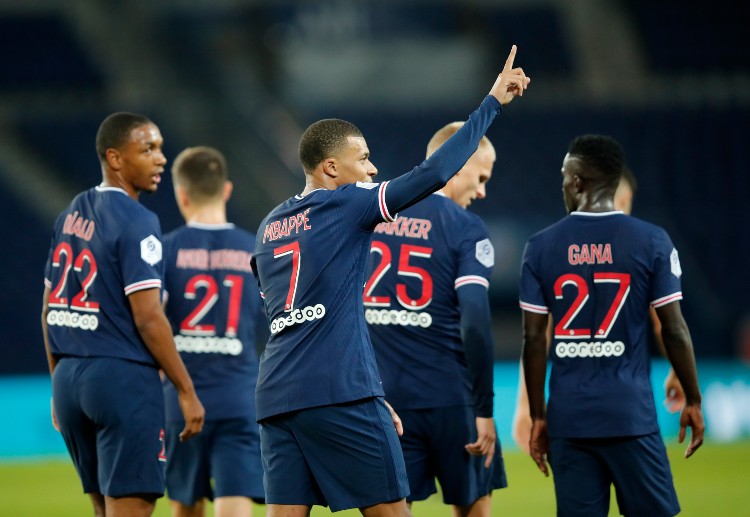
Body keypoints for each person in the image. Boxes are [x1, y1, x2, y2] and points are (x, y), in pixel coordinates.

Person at [250, 46, 529, 517]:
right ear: (331, 168)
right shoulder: (346, 204)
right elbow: (435, 172)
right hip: (340, 392)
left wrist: (371, 391)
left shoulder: (269, 225)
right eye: (363, 158)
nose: (373, 168)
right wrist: (492, 103)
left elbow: (277, 308)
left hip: (277, 395)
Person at [519, 134, 704, 516]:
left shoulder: (540, 247)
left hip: (569, 420)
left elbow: (534, 339)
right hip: (631, 416)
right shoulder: (652, 241)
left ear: (577, 182)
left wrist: (537, 416)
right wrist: (694, 398)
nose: (562, 185)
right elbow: (673, 328)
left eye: (564, 177)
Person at [40, 112, 205, 517]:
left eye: (160, 148)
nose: (161, 158)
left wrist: (58, 382)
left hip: (69, 379)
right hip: (120, 379)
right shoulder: (138, 221)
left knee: (103, 510)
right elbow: (149, 318)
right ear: (115, 158)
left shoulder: (72, 212)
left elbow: (48, 309)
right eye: (148, 149)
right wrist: (185, 390)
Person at [364, 122, 506, 517]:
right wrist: (484, 408)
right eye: (481, 177)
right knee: (473, 509)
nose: (482, 191)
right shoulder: (465, 227)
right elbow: (475, 322)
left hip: (386, 401)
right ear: (459, 163)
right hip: (452, 398)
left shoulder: (372, 215)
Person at [511, 166, 687, 454]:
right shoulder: (642, 248)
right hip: (629, 409)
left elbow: (537, 336)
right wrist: (680, 371)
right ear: (623, 198)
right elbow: (665, 325)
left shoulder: (553, 250)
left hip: (570, 410)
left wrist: (526, 405)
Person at [161, 146, 265, 517]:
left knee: (186, 506)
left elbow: (148, 321)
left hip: (180, 401)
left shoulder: (164, 250)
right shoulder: (255, 250)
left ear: (182, 195)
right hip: (240, 397)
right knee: (236, 500)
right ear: (227, 190)